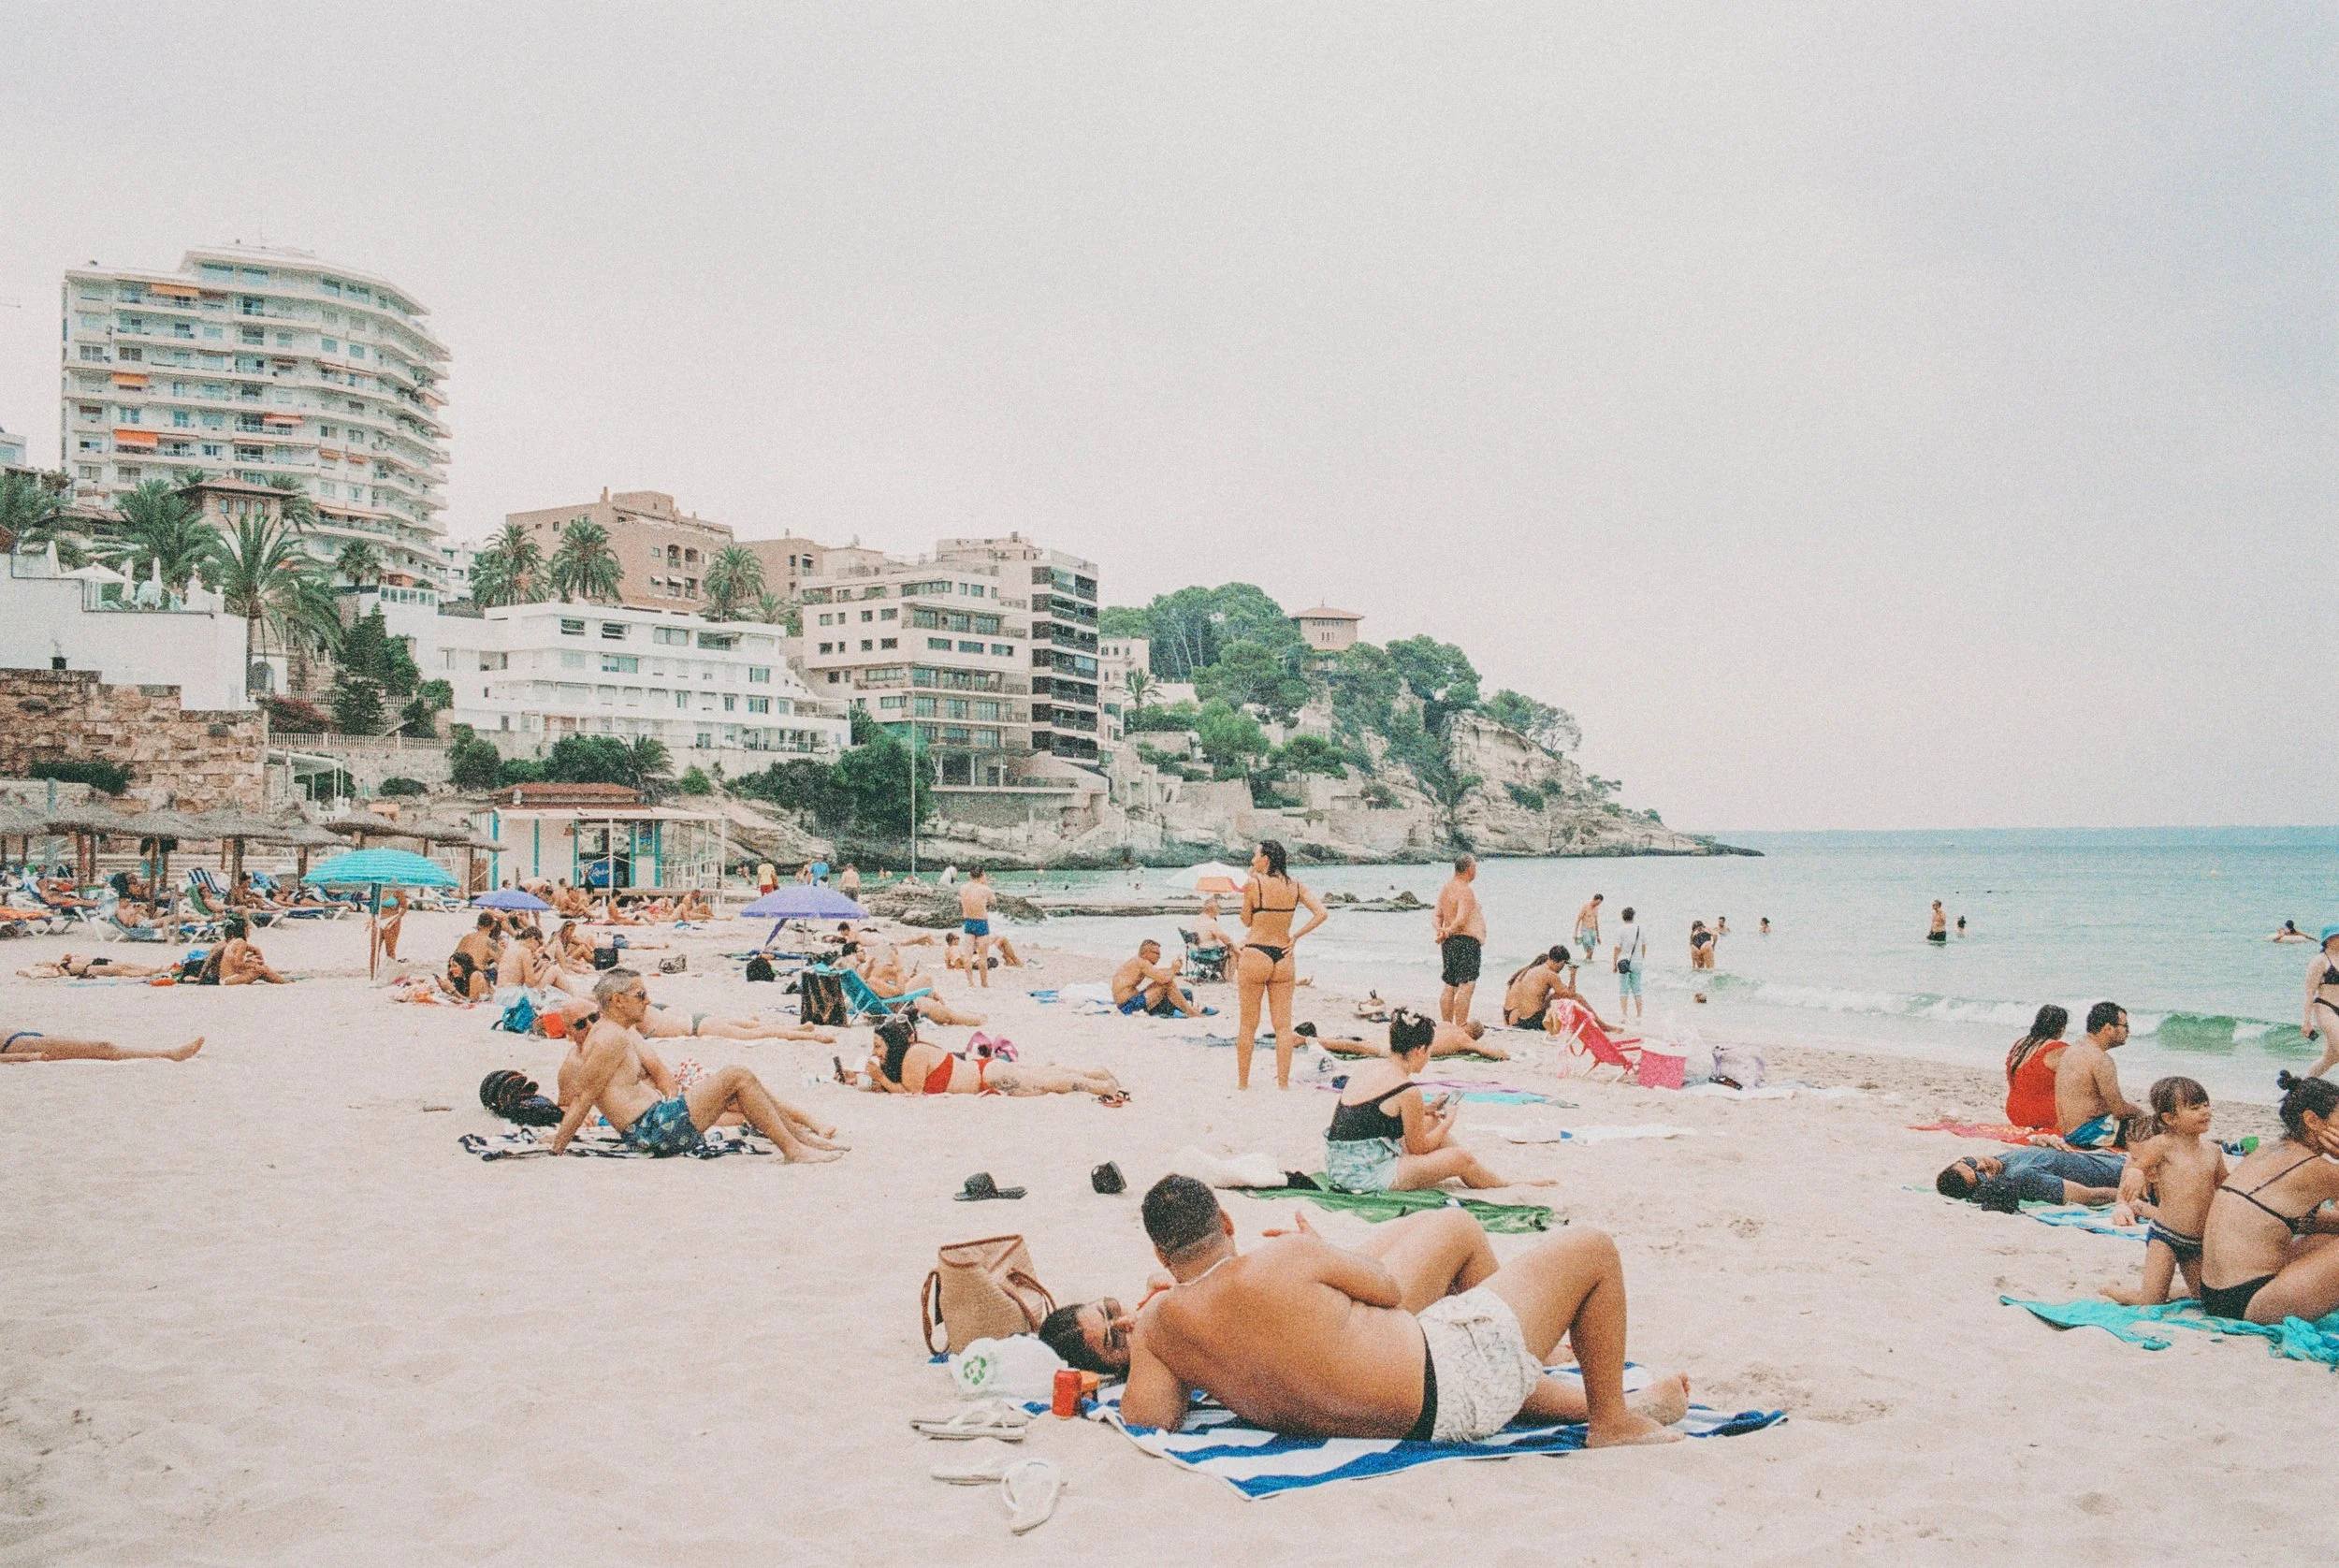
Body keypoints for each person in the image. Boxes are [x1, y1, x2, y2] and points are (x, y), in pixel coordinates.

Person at [1118, 1175, 1684, 1445]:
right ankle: (1612, 1421)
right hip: (1448, 1387)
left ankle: (1612, 1399)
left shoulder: (1161, 1325)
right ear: (1226, 1221)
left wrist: (1180, 1354)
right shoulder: (1284, 1258)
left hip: (1417, 1407)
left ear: (1161, 1254)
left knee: (1476, 1346)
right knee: (1593, 1248)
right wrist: (1321, 1255)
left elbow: (1149, 1418)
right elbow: (1388, 1289)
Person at [1041, 1207, 1508, 1377]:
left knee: (1421, 1224)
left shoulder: (1158, 1299)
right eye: (1113, 1340)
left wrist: (1319, 1255)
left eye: (1107, 1309)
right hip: (1348, 1324)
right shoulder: (1162, 1341)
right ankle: (1523, 1348)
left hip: (1313, 1304)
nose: (1121, 1321)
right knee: (1454, 1227)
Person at [546, 968, 843, 1161]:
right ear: (617, 1001)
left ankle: (800, 1139)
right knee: (737, 1076)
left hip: (655, 1123)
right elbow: (583, 1097)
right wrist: (556, 1149)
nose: (648, 1001)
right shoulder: (607, 1038)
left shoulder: (616, 1033)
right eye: (640, 995)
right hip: (652, 1130)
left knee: (741, 1080)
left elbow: (654, 1072)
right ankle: (794, 1149)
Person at [1321, 1010, 1541, 1193]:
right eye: (1429, 1051)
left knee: (1431, 1123)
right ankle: (1501, 1185)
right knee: (1460, 1158)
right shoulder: (1407, 1090)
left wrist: (1425, 1111)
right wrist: (1448, 1121)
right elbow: (1419, 1148)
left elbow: (1370, 1114)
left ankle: (1487, 1177)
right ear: (1419, 1050)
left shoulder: (1368, 1068)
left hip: (1340, 1163)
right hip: (1363, 1174)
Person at [2197, 1071, 2339, 1323]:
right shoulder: (2315, 1169)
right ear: (2312, 1120)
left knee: (2323, 1238)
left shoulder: (2268, 1151)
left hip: (2215, 1295)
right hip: (2253, 1299)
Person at [2103, 1078, 2225, 1306]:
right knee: (2151, 1301)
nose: (2205, 1112)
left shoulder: (2213, 1151)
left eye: (2206, 1105)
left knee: (2204, 1298)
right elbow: (2138, 1165)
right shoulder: (2162, 1145)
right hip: (2166, 1236)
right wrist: (2137, 1175)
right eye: (2195, 1108)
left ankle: (2171, 1288)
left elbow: (2226, 1186)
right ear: (2170, 1118)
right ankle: (2112, 1290)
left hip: (2197, 1241)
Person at [1234, 839, 1329, 1090]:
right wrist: (1296, 935)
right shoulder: (1296, 886)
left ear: (1266, 859)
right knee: (1284, 1026)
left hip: (1256, 952)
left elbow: (1245, 921)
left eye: (1255, 855)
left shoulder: (1254, 883)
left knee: (1247, 1024)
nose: (1253, 859)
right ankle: (1283, 1084)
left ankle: (1243, 1084)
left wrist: (1249, 880)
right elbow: (1322, 913)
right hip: (1283, 955)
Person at [857, 1016, 1126, 1101]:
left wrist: (880, 1077)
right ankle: (1094, 1073)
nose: (875, 1051)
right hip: (985, 1073)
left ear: (892, 1043)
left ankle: (1099, 1085)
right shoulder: (909, 1057)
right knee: (1040, 1077)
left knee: (1046, 1084)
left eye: (878, 1045)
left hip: (987, 1076)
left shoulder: (914, 1055)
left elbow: (911, 1092)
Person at [2056, 1002, 2141, 1147]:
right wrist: (2141, 1113)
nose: (2128, 1031)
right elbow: (2119, 1111)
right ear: (2108, 1028)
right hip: (2089, 1134)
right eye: (2125, 1026)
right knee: (2159, 1131)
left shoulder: (2073, 1049)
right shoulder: (2101, 1059)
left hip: (2070, 1131)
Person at [1935, 1147, 2128, 1208]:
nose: (1982, 1165)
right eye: (1979, 1175)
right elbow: (2092, 1196)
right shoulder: (2023, 1178)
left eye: (1969, 1162)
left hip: (2119, 1158)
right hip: (2130, 1172)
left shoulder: (2001, 1160)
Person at [1300, 1016, 1510, 1062]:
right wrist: (1504, 1054)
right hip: (1405, 1046)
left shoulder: (1448, 1026)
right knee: (1358, 1047)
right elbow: (1490, 1053)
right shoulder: (1465, 1040)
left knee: (1360, 1045)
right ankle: (1307, 1040)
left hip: (1403, 1035)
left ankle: (1313, 1039)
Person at [1432, 853, 1486, 1026]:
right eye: (1475, 867)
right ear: (1469, 870)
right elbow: (1461, 920)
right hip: (1466, 942)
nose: (1476, 871)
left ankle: (1447, 1025)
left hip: (1450, 942)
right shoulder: (1465, 890)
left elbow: (1437, 915)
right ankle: (1460, 1026)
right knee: (1466, 985)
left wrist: (1441, 930)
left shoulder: (1446, 888)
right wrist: (1447, 931)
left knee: (1450, 984)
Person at [2002, 1005, 2070, 1132]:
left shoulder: (2021, 1043)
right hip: (2042, 1116)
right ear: (2061, 1029)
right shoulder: (2058, 1049)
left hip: (2015, 1112)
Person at [1112, 939, 1205, 1019]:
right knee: (1168, 984)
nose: (1159, 957)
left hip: (1133, 1002)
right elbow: (1164, 980)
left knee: (1186, 993)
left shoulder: (1138, 962)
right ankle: (1191, 1012)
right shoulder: (1141, 962)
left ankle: (1186, 1009)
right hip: (1128, 1006)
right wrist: (1174, 970)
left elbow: (1159, 973)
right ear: (1145, 953)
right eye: (1157, 953)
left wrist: (1173, 969)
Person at [2, 1029, 203, 1063]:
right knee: (103, 1048)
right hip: (20, 1044)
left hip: (23, 1036)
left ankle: (168, 1053)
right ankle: (169, 1054)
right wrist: (27, 1057)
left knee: (102, 1047)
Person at [2301, 924, 2339, 1079]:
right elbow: (2309, 993)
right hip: (2325, 1008)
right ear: (2328, 940)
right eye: (2336, 936)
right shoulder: (2320, 961)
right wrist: (2307, 1022)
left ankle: (2301, 1088)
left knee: (2330, 1058)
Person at [1501, 948, 1569, 1028]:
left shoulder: (1523, 974)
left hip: (1507, 1014)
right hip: (1519, 1016)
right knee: (1552, 998)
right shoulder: (1544, 973)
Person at [212, 916, 287, 985]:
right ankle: (283, 982)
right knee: (261, 969)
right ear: (246, 930)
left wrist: (257, 963)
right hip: (230, 979)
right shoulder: (241, 943)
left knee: (261, 968)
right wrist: (254, 965)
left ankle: (281, 980)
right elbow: (238, 964)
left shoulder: (235, 941)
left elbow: (256, 950)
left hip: (225, 978)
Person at [958, 867, 997, 989]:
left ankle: (970, 982)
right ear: (982, 875)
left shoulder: (963, 888)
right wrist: (985, 883)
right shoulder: (985, 889)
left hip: (969, 921)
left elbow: (962, 900)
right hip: (981, 922)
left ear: (970, 875)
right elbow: (994, 902)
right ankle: (984, 982)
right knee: (983, 956)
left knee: (968, 955)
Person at [445, 912, 498, 1001]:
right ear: (493, 925)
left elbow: (453, 958)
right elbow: (506, 961)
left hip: (460, 976)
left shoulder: (466, 937)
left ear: (477, 925)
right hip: (475, 976)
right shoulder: (490, 942)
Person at [19, 952, 169, 980]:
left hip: (96, 961)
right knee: (121, 971)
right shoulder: (60, 970)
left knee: (127, 964)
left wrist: (68, 958)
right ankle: (150, 972)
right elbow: (66, 976)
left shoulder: (63, 962)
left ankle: (157, 968)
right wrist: (58, 967)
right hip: (90, 968)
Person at [1610, 906, 1645, 1024]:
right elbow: (1644, 946)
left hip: (1623, 961)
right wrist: (1641, 959)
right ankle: (1639, 1016)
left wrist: (1614, 963)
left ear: (1622, 917)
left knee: (1623, 990)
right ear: (1633, 917)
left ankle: (1624, 1015)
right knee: (1637, 989)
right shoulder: (1640, 929)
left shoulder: (1620, 930)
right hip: (1637, 961)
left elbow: (1617, 948)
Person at [1688, 921, 1714, 1003]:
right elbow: (1716, 936)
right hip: (1706, 944)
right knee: (1710, 969)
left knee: (1699, 970)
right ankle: (1707, 990)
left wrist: (1693, 965)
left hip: (1694, 946)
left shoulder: (1693, 934)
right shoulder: (1707, 929)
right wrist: (1713, 945)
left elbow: (1691, 947)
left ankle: (1699, 993)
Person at [1573, 894, 1604, 965]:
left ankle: (1588, 967)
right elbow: (1578, 920)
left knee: (1591, 951)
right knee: (1590, 949)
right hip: (1585, 930)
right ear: (1594, 899)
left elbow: (1596, 922)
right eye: (1597, 903)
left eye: (1599, 904)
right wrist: (1575, 933)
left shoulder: (1596, 909)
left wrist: (1598, 936)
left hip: (1593, 931)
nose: (1597, 905)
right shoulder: (1585, 907)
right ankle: (1585, 964)